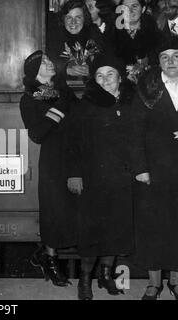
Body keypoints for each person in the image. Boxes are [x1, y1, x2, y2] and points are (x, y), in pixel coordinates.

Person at [67, 54, 135, 300]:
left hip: (121, 178)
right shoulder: (86, 105)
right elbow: (72, 143)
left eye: (110, 74)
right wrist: (74, 174)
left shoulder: (130, 102)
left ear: (120, 77)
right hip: (93, 177)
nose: (105, 80)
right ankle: (84, 280)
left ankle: (105, 275)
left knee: (115, 230)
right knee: (91, 232)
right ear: (94, 80)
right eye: (99, 75)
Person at [19, 50, 78, 287]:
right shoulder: (30, 98)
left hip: (75, 156)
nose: (50, 63)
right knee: (53, 211)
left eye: (48, 60)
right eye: (44, 63)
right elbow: (37, 134)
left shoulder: (63, 92)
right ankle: (50, 259)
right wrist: (60, 110)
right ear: (35, 72)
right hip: (53, 160)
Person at [131, 39, 178, 300]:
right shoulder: (146, 89)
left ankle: (176, 280)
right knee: (153, 225)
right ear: (158, 62)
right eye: (165, 57)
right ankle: (153, 283)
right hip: (154, 168)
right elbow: (135, 130)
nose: (171, 61)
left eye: (176, 55)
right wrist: (140, 168)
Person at [47, 0, 100, 82]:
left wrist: (92, 69)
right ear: (63, 19)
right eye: (69, 17)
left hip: (90, 89)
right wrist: (66, 70)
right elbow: (45, 64)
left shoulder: (94, 34)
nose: (73, 22)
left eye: (78, 17)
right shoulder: (53, 36)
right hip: (59, 88)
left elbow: (104, 61)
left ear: (85, 18)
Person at [114, 0, 160, 68]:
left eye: (134, 6)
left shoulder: (154, 32)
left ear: (143, 9)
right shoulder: (112, 34)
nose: (130, 10)